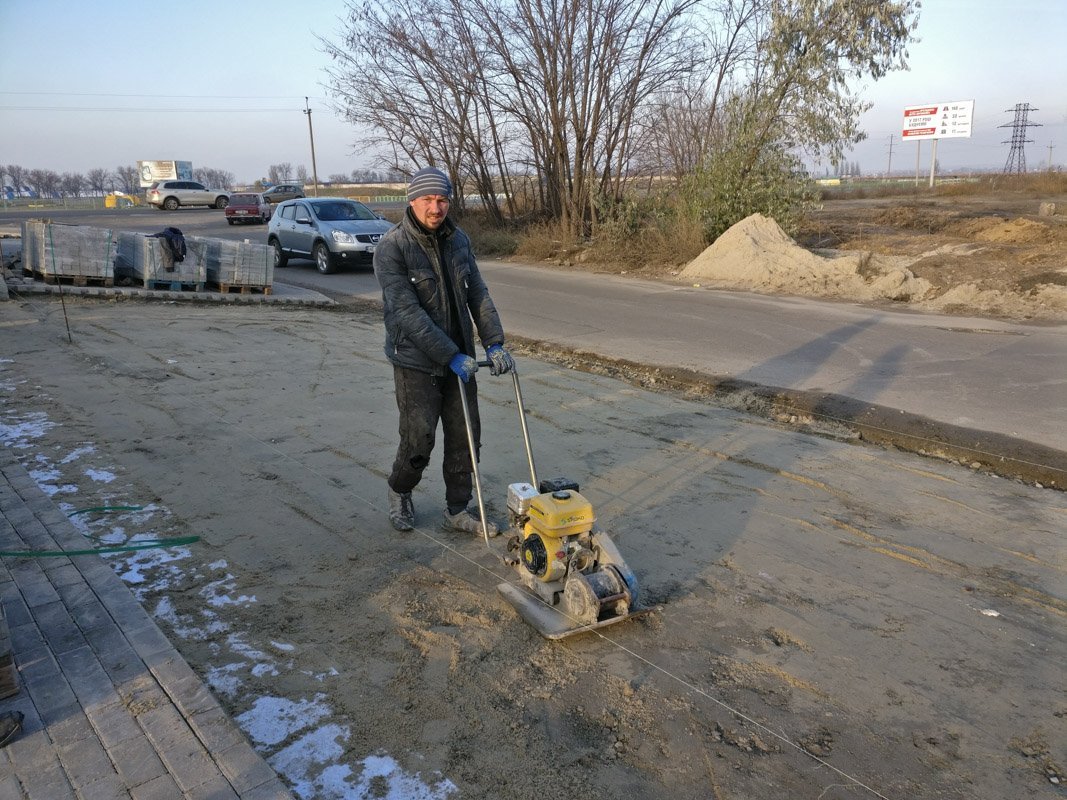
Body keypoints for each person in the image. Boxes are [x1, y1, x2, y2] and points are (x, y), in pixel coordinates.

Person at [374, 166, 515, 533]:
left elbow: (477, 294)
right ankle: (400, 491)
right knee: (419, 438)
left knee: (465, 437)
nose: (435, 208)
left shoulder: (459, 241)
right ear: (412, 200)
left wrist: (494, 342)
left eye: (442, 199)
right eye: (427, 200)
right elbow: (406, 312)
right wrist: (449, 354)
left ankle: (458, 510)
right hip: (417, 362)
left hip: (462, 360)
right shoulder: (392, 248)